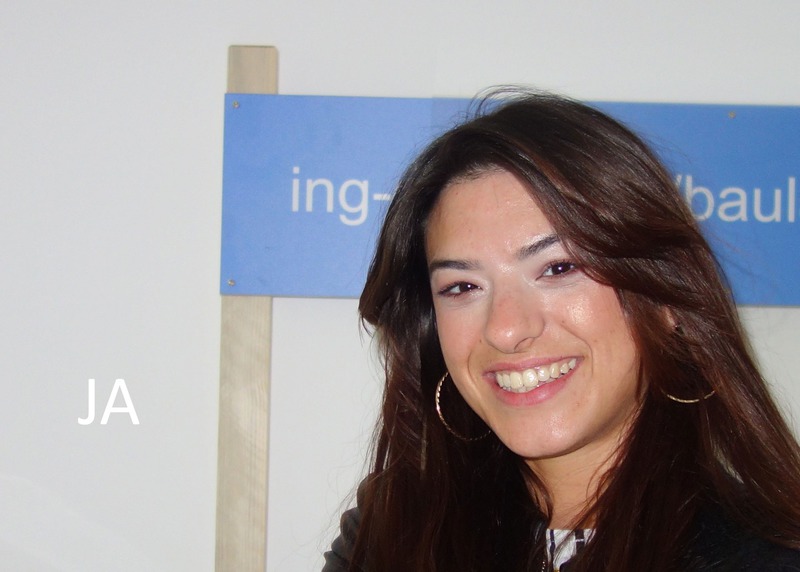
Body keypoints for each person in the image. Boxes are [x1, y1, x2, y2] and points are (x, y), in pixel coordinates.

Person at [322, 90, 800, 571]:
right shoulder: (390, 530)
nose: (506, 329)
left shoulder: (766, 556)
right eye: (462, 287)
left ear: (665, 297)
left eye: (558, 268)